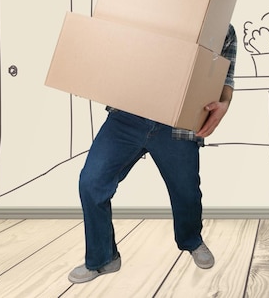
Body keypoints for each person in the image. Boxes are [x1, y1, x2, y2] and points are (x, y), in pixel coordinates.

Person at [68, 24, 237, 284]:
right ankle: (103, 258)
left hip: (178, 123)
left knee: (187, 192)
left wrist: (224, 104)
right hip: (128, 114)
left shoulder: (222, 26)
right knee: (92, 182)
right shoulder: (144, 5)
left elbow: (225, 78)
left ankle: (192, 240)